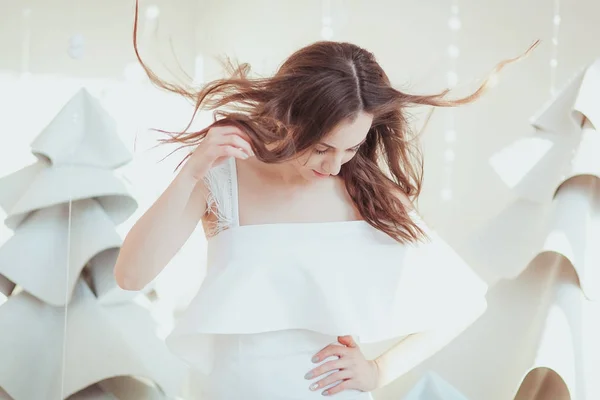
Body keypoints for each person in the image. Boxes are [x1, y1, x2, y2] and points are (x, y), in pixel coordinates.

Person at [114, 2, 537, 398]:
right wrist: (192, 171)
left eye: (350, 149)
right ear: (288, 115)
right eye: (321, 147)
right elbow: (131, 276)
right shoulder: (223, 177)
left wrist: (379, 370)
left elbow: (463, 301)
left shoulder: (366, 194)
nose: (334, 166)